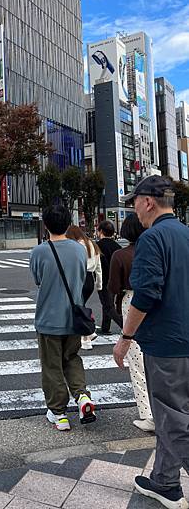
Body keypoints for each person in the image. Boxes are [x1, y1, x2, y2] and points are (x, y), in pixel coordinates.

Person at [113, 176, 189, 509]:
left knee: (173, 418)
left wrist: (126, 338)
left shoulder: (152, 239)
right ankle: (164, 481)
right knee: (178, 413)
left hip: (166, 344)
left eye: (134, 202)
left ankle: (168, 483)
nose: (134, 210)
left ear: (148, 202)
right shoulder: (186, 234)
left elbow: (145, 295)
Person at [30, 205, 96, 431]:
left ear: (45, 225)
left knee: (51, 366)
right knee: (72, 358)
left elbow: (38, 280)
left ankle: (59, 414)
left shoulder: (39, 251)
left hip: (49, 318)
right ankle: (82, 397)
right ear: (68, 224)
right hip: (74, 317)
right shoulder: (79, 250)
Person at [108, 213, 153, 432]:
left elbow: (113, 287)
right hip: (157, 302)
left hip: (131, 302)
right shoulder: (156, 250)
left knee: (137, 361)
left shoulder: (121, 255)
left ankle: (148, 414)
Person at [66, 225, 102, 350]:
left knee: (78, 307)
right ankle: (86, 337)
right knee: (80, 306)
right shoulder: (92, 244)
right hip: (90, 279)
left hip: (79, 277)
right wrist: (99, 284)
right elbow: (98, 267)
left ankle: (88, 334)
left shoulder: (76, 246)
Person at [97, 220, 122, 333]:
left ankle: (125, 326)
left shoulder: (98, 246)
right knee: (108, 303)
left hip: (103, 279)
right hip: (116, 279)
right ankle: (105, 327)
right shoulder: (117, 246)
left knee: (108, 306)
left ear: (101, 231)